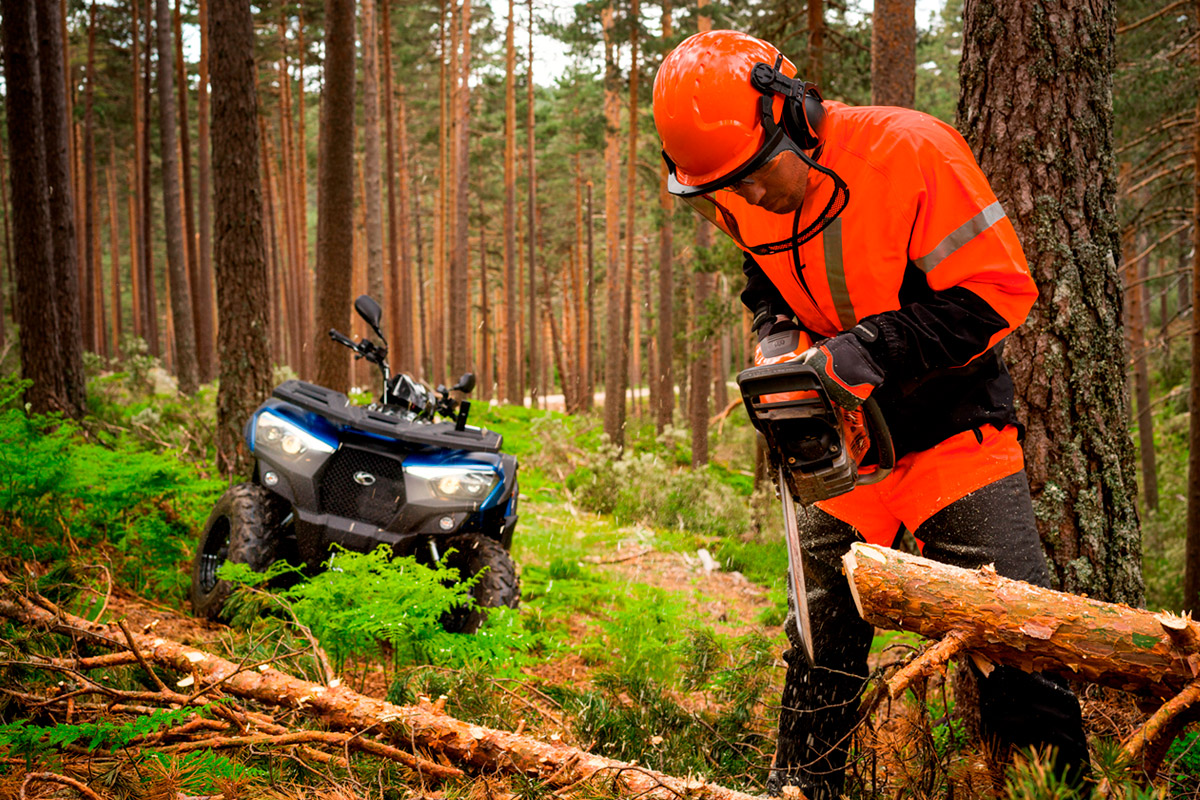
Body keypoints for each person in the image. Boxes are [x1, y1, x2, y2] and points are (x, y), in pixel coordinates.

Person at [652, 29, 1091, 799]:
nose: (745, 197)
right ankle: (806, 786)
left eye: (755, 176)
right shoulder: (734, 187)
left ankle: (1055, 789)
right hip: (840, 442)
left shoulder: (910, 152)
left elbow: (998, 293)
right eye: (725, 188)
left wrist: (865, 351)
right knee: (819, 644)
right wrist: (780, 340)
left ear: (794, 116)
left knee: (1020, 643)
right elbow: (765, 280)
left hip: (951, 431)